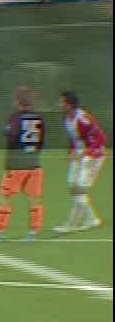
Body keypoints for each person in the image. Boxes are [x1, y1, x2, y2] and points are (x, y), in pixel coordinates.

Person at [0, 87, 46, 242]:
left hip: (17, 164)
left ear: (18, 101)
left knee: (5, 197)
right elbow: (41, 142)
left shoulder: (15, 118)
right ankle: (33, 232)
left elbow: (11, 137)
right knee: (34, 198)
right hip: (34, 164)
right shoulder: (39, 119)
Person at [55, 90, 105, 234]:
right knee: (73, 186)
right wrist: (72, 152)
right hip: (80, 156)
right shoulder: (68, 119)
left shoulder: (84, 118)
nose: (59, 105)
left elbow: (101, 138)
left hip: (93, 157)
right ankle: (91, 219)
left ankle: (72, 223)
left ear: (69, 104)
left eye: (62, 102)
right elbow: (75, 138)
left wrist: (87, 152)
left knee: (79, 189)